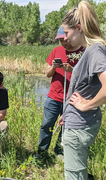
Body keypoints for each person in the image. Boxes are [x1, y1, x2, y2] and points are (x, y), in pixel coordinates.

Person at [51, 1, 106, 180]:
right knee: (78, 169)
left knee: (75, 177)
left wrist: (87, 104)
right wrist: (66, 114)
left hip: (79, 126)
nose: (64, 38)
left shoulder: (95, 50)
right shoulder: (93, 49)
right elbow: (84, 87)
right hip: (76, 122)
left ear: (79, 28)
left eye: (66, 33)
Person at [36, 25, 84, 159]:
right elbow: (47, 74)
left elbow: (85, 76)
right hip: (53, 96)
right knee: (46, 125)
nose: (63, 42)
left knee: (67, 126)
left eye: (65, 39)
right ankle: (42, 151)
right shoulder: (56, 51)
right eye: (60, 40)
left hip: (71, 98)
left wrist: (71, 69)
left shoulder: (82, 52)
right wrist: (53, 67)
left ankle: (60, 150)